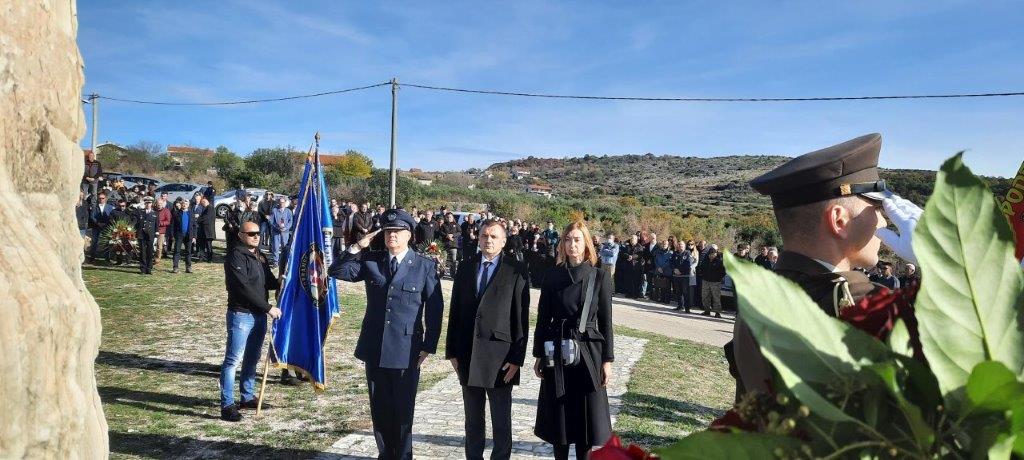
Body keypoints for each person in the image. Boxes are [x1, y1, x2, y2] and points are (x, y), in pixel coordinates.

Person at [733, 133, 924, 399]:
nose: (884, 221)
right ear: (840, 221)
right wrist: (944, 261)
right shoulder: (862, 305)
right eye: (878, 207)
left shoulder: (759, 296)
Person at [328, 209, 444, 460]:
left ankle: (403, 456)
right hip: (375, 346)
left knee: (403, 411)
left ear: (409, 235)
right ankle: (385, 455)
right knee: (379, 409)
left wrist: (428, 345)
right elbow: (335, 271)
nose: (391, 235)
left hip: (406, 349)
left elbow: (435, 309)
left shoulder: (424, 266)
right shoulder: (372, 260)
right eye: (388, 231)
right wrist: (357, 246)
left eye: (397, 231)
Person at [446, 220, 530, 460]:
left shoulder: (516, 269)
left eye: (494, 236)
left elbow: (521, 317)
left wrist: (517, 358)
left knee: (501, 421)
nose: (488, 240)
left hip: (501, 357)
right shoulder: (466, 267)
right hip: (468, 353)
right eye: (484, 236)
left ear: (504, 241)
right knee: (472, 420)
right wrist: (452, 351)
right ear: (478, 238)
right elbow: (455, 311)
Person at [531, 221, 614, 460]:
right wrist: (538, 354)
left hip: (588, 352)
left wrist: (607, 361)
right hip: (557, 351)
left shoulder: (599, 277)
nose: (572, 245)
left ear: (586, 243)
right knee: (560, 417)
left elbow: (606, 323)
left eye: (577, 240)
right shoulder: (552, 275)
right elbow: (543, 317)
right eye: (568, 240)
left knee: (585, 421)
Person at [220, 221, 282, 422]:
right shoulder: (235, 256)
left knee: (252, 358)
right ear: (240, 235)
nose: (256, 236)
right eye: (251, 233)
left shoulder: (260, 256)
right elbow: (242, 288)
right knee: (233, 361)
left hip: (259, 316)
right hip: (241, 315)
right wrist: (269, 308)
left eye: (258, 233)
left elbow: (269, 282)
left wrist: (284, 280)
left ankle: (247, 396)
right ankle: (227, 404)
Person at [170, 198, 197, 273]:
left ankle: (188, 267)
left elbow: (194, 226)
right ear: (181, 205)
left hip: (189, 235)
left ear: (188, 205)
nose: (184, 205)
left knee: (188, 252)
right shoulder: (176, 213)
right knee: (177, 251)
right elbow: (172, 225)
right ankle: (175, 267)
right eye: (183, 203)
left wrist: (194, 236)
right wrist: (172, 236)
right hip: (179, 235)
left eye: (186, 203)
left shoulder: (191, 213)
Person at [133, 197, 158, 274]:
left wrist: (157, 233)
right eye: (146, 203)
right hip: (142, 234)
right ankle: (143, 269)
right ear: (145, 204)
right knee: (142, 252)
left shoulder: (155, 213)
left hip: (150, 235)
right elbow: (136, 222)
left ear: (152, 204)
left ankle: (149, 268)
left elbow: (157, 224)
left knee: (150, 252)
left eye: (149, 203)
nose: (148, 205)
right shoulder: (140, 212)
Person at [699, 245, 725, 318]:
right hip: (705, 281)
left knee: (716, 297)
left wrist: (719, 278)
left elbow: (723, 272)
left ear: (716, 254)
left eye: (713, 254)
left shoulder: (719, 261)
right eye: (710, 254)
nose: (711, 255)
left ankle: (717, 312)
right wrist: (703, 275)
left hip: (715, 282)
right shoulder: (705, 260)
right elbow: (701, 268)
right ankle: (707, 310)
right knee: (705, 296)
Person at [672, 240, 698, 312]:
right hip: (676, 276)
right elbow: (672, 263)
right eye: (679, 245)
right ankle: (680, 306)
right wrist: (674, 269)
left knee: (686, 293)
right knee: (678, 292)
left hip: (684, 276)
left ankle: (687, 308)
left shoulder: (687, 253)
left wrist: (680, 271)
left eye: (682, 245)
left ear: (684, 246)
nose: (680, 246)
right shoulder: (675, 253)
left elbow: (688, 264)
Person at [270, 197, 293, 268]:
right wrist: (277, 227)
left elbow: (290, 221)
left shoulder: (288, 211)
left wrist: (286, 228)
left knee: (284, 247)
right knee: (275, 248)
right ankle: (275, 262)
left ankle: (284, 261)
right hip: (276, 232)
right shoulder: (274, 210)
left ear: (285, 203)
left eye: (283, 202)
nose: (281, 204)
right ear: (278, 203)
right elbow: (271, 221)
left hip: (285, 232)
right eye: (280, 202)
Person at [198, 197, 216, 262]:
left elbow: (206, 218)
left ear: (206, 202)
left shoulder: (210, 208)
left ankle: (209, 258)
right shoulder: (206, 208)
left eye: (203, 202)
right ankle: (201, 257)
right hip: (204, 230)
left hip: (208, 231)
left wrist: (198, 219)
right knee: (202, 245)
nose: (202, 204)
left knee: (208, 246)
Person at [156, 199, 171, 263]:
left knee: (159, 245)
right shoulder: (154, 210)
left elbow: (168, 221)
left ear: (163, 204)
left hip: (161, 230)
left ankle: (158, 258)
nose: (159, 205)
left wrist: (160, 223)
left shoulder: (166, 211)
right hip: (152, 229)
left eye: (161, 204)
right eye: (158, 203)